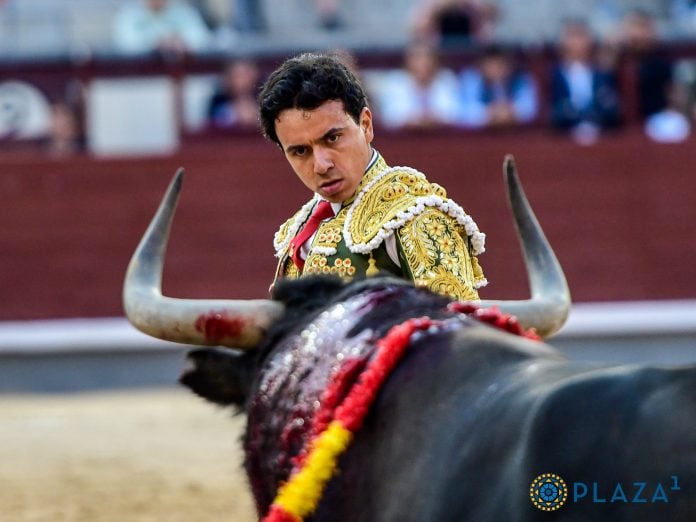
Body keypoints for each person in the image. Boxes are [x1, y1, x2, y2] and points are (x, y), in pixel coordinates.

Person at [258, 52, 486, 301]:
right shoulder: (298, 230)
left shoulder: (415, 217)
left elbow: (452, 331)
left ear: (366, 125)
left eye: (333, 138)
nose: (321, 165)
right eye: (300, 151)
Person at [549, 19, 622, 143]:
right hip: (562, 139)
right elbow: (552, 111)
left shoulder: (603, 73)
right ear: (562, 41)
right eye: (572, 36)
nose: (577, 42)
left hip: (601, 137)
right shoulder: (552, 75)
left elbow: (611, 109)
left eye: (581, 36)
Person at [369, 42, 462, 130]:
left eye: (427, 58)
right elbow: (390, 116)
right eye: (417, 58)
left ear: (435, 61)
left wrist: (430, 120)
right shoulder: (396, 82)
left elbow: (455, 114)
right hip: (404, 140)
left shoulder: (446, 80)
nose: (423, 63)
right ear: (408, 61)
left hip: (442, 139)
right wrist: (417, 120)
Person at [457, 44, 538, 128]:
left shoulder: (521, 78)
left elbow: (529, 109)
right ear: (481, 64)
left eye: (499, 64)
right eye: (490, 64)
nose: (495, 69)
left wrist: (510, 112)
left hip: (515, 134)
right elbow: (464, 112)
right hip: (479, 137)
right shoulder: (471, 78)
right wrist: (490, 113)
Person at [112, 0, 212, 57]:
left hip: (183, 77)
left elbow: (201, 39)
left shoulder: (184, 13)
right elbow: (125, 43)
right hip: (138, 81)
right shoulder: (129, 15)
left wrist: (180, 42)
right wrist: (156, 43)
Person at [207, 58, 260, 129]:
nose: (242, 81)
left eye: (246, 75)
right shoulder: (218, 100)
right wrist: (233, 114)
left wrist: (255, 116)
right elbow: (211, 127)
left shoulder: (265, 99)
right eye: (237, 76)